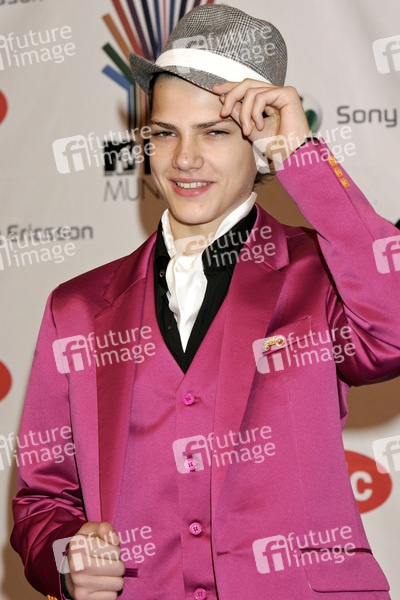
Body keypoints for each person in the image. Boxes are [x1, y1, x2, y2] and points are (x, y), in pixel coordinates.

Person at [11, 4, 400, 600]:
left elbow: (391, 334)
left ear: (262, 144)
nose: (184, 159)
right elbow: (43, 498)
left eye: (214, 132)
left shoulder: (324, 274)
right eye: (165, 132)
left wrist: (303, 157)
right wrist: (66, 560)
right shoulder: (79, 309)